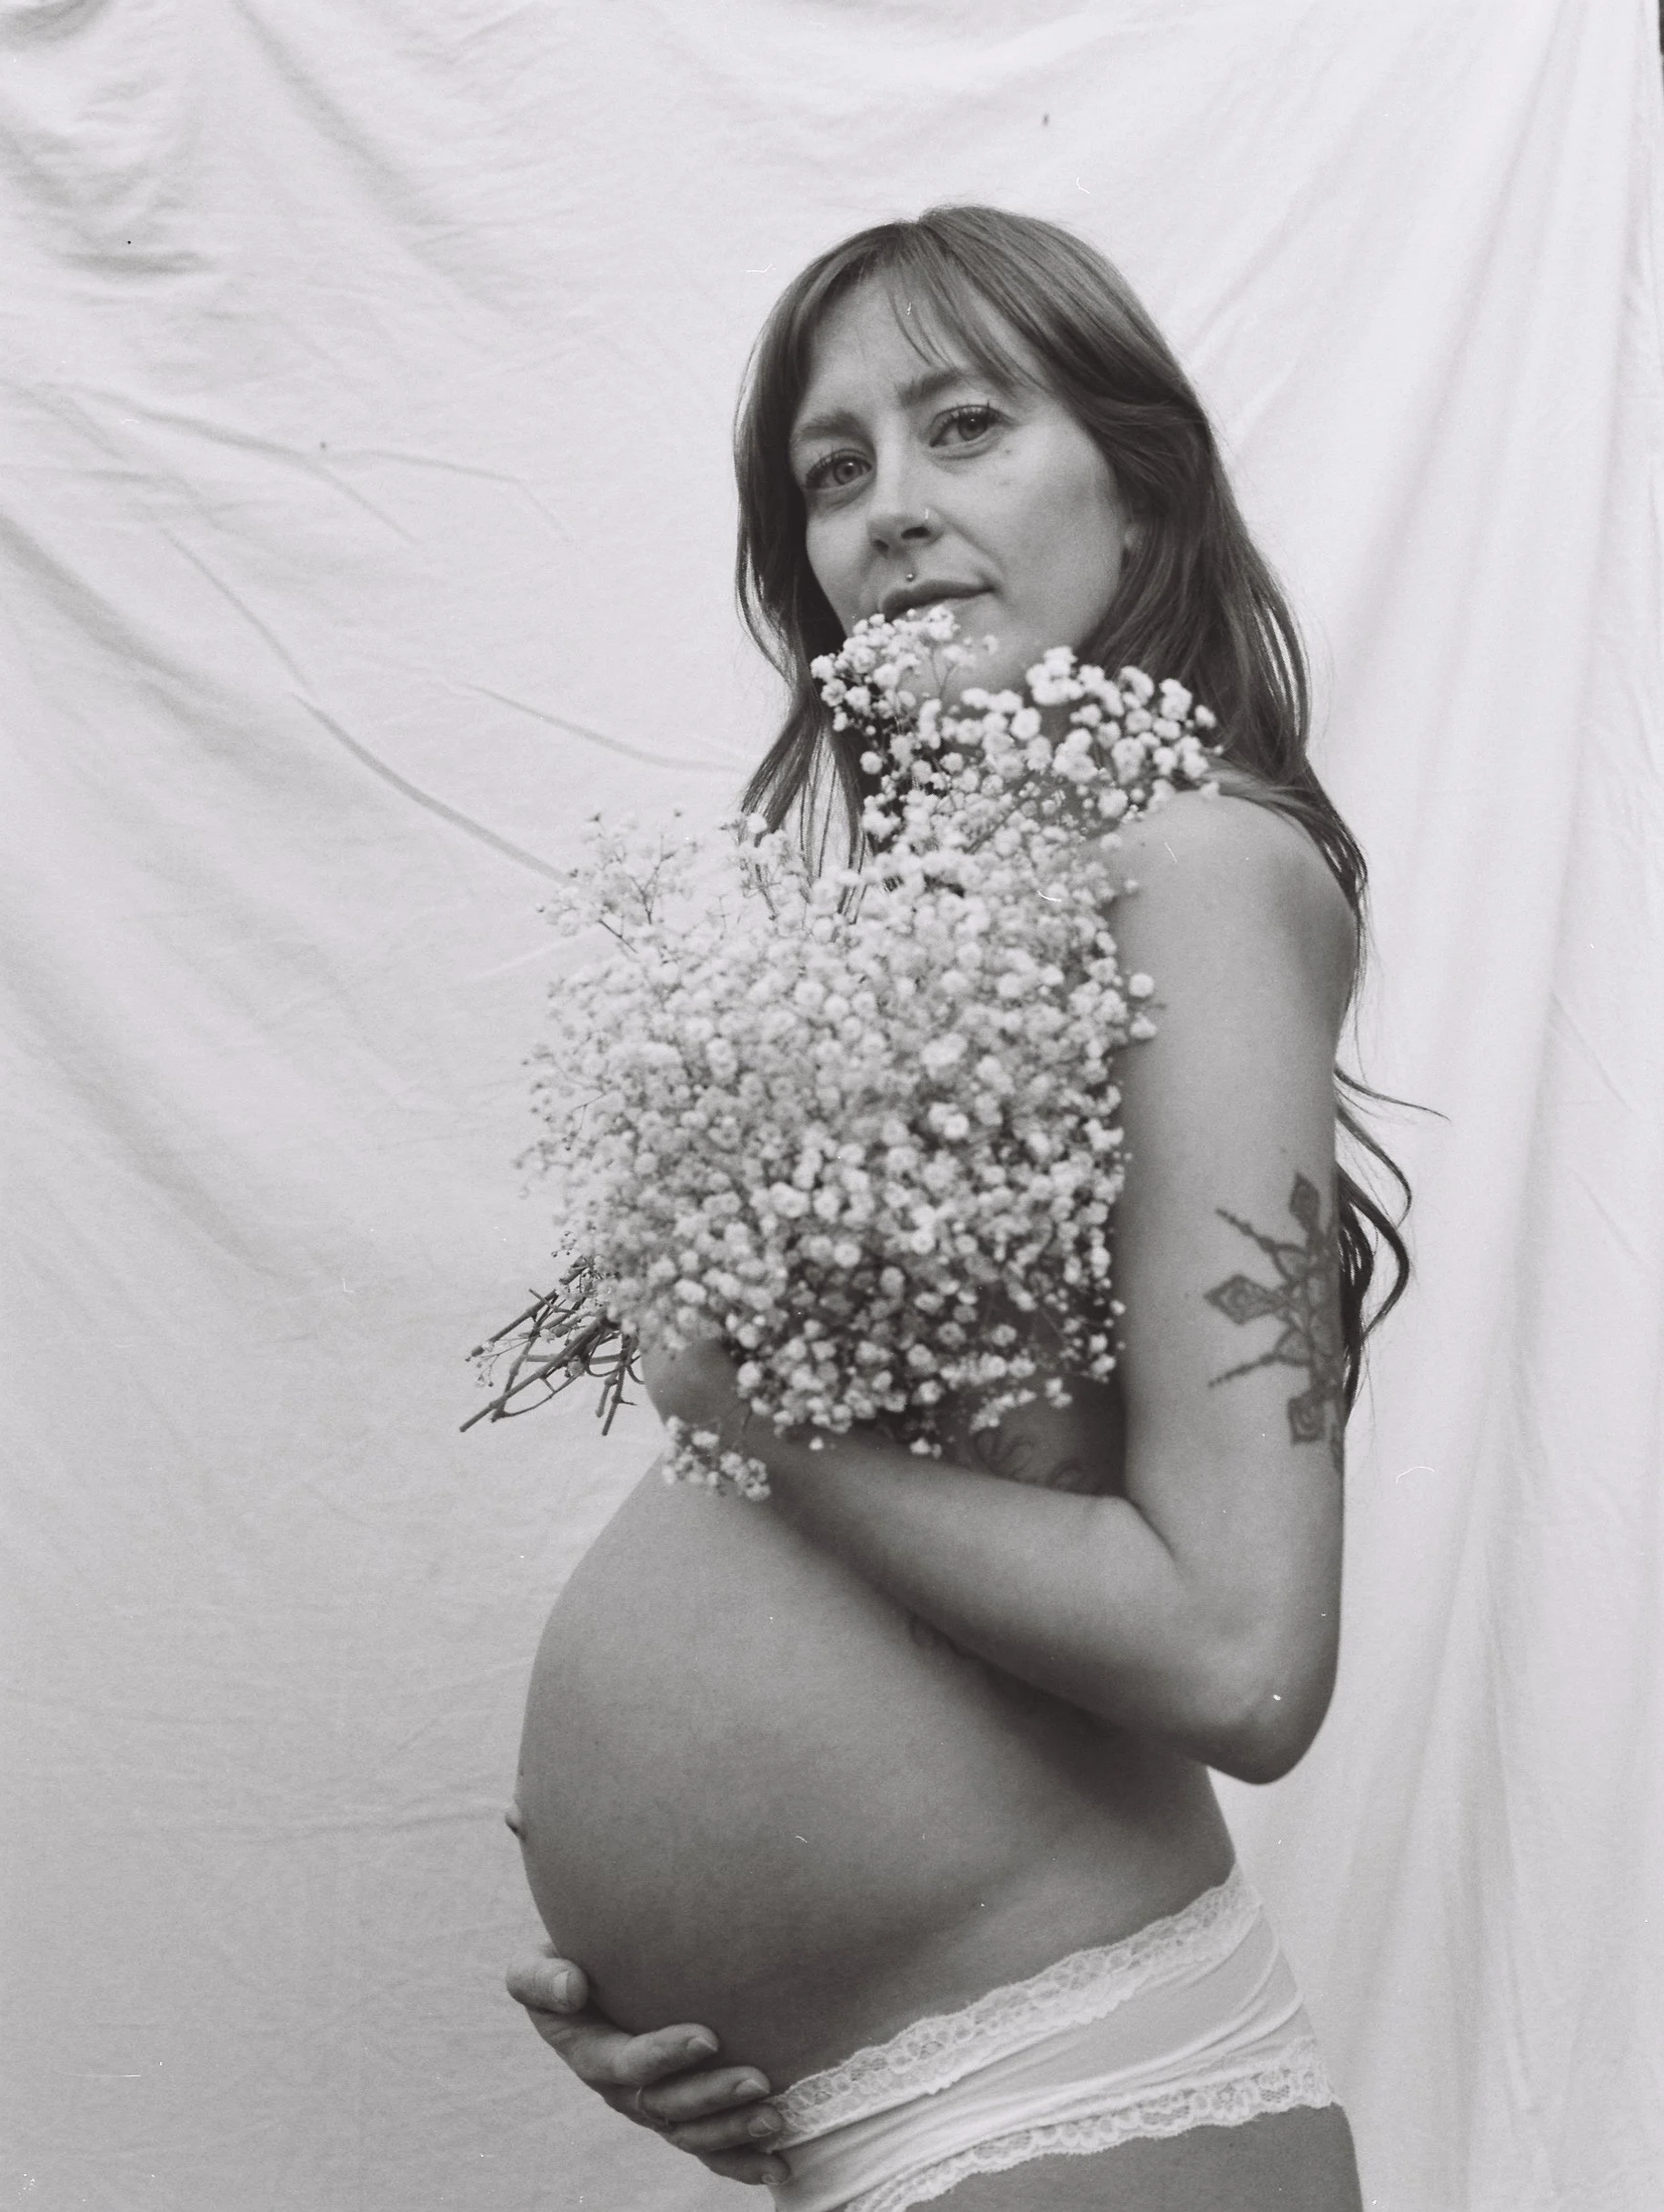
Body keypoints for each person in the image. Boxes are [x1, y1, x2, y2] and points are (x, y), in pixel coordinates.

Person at [503, 205, 1408, 2210]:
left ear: (1142, 495)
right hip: (912, 2106)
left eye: (967, 424)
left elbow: (1246, 1654)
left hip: (1074, 2092)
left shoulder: (1191, 863)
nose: (892, 509)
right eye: (837, 472)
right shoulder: (950, 943)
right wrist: (668, 1960)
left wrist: (761, 1438)